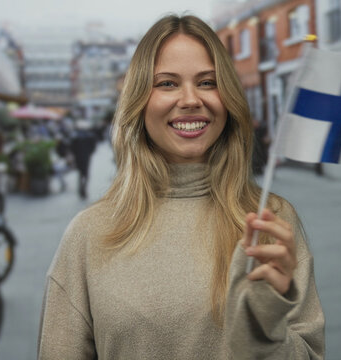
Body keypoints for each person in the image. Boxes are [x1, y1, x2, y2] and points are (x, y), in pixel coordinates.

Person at [38, 14, 324, 359]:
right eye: (167, 83)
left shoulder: (271, 222)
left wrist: (266, 334)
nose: (190, 99)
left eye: (207, 82)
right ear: (139, 101)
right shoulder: (89, 233)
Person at [70, 120, 99, 199]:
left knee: (80, 173)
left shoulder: (75, 136)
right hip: (86, 157)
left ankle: (80, 188)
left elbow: (72, 148)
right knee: (85, 173)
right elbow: (93, 148)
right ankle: (84, 188)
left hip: (78, 157)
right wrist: (89, 153)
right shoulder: (90, 136)